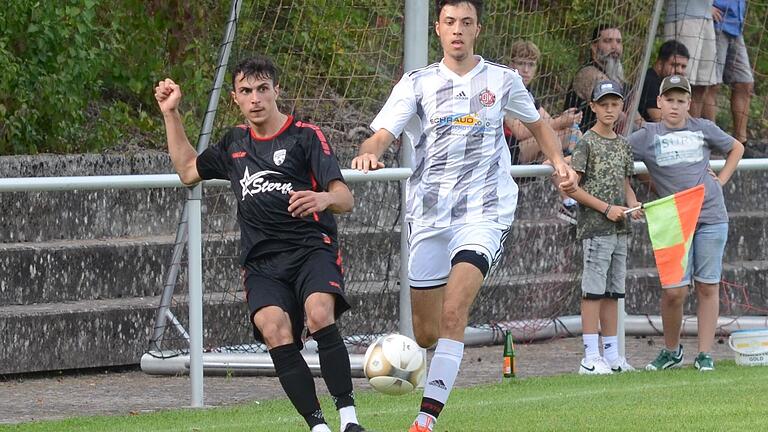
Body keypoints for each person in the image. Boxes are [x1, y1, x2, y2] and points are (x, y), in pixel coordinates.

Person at [351, 1, 576, 431]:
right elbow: (382, 134)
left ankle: (425, 419)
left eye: (466, 23)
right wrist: (369, 154)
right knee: (426, 333)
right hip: (430, 214)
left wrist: (558, 161)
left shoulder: (502, 79)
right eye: (450, 22)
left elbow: (539, 126)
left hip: (484, 211)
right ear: (438, 29)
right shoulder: (416, 84)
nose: (458, 30)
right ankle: (419, 365)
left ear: (477, 30)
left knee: (456, 310)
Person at [155, 56, 366, 432]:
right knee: (273, 328)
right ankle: (318, 427)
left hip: (310, 250)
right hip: (262, 262)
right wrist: (171, 113)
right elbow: (188, 171)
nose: (255, 99)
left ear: (276, 91)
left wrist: (322, 199)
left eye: (262, 89)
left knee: (319, 313)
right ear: (235, 98)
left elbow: (345, 197)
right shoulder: (234, 143)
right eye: (246, 91)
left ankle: (349, 419)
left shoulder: (304, 136)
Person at [629, 75, 744, 372]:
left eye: (681, 101)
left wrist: (722, 179)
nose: (675, 106)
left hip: (710, 216)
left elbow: (736, 148)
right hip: (673, 219)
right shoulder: (646, 135)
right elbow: (617, 160)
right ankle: (671, 350)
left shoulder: (703, 128)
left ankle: (704, 353)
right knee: (674, 291)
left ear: (689, 104)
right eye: (670, 100)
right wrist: (630, 199)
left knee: (707, 286)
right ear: (659, 102)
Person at [562, 80, 642, 375]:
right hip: (596, 228)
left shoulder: (623, 144)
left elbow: (625, 183)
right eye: (604, 104)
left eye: (615, 104)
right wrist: (606, 209)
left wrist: (632, 204)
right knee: (593, 291)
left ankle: (612, 354)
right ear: (593, 107)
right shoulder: (586, 142)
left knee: (613, 292)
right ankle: (589, 356)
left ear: (621, 108)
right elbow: (572, 188)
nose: (609, 110)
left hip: (620, 229)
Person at [504, 40, 582, 164]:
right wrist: (559, 122)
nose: (525, 70)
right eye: (521, 63)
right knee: (569, 135)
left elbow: (548, 121)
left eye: (531, 64)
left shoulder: (528, 93)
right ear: (510, 64)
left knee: (572, 132)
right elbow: (520, 132)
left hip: (527, 145)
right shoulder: (505, 89)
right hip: (510, 149)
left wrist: (566, 119)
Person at [711, 0, 759, 156]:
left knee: (745, 83)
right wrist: (705, 7)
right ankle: (711, 141)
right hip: (715, 21)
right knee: (712, 84)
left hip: (735, 24)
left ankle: (740, 144)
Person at [564, 23, 626, 132]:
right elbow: (618, 114)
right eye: (608, 41)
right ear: (594, 47)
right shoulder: (589, 73)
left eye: (618, 41)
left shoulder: (614, 76)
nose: (614, 47)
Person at [663, 0, 718, 119]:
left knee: (702, 83)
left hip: (707, 16)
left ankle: (692, 132)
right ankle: (675, 130)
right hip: (685, 14)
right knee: (681, 81)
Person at [638, 40, 691, 123]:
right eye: (675, 65)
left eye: (683, 66)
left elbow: (687, 116)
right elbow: (660, 119)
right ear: (660, 64)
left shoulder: (669, 83)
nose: (680, 71)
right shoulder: (650, 81)